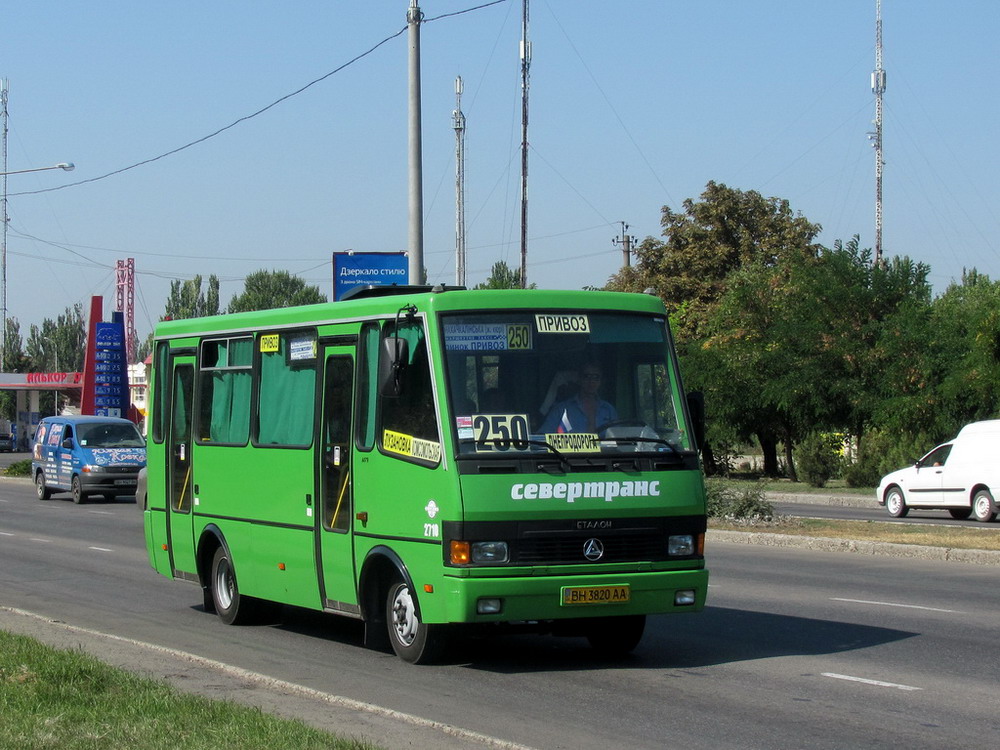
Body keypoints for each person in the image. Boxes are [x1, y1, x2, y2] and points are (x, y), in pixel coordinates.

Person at [539, 362, 617, 434]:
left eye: (596, 377)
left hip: (605, 450)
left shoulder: (608, 410)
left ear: (601, 381)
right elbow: (543, 436)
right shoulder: (561, 409)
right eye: (587, 377)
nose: (591, 381)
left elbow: (617, 439)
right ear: (579, 379)